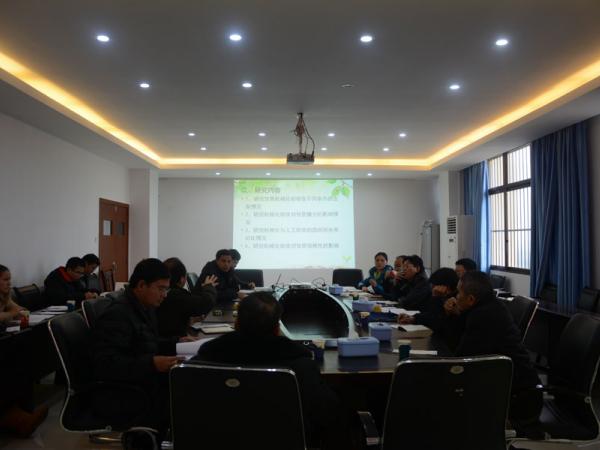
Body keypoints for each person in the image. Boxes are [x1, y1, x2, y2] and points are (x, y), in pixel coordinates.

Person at [193, 292, 351, 449]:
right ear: (277, 329)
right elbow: (327, 416)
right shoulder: (301, 367)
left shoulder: (202, 363)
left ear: (236, 324)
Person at [91, 258, 180, 437]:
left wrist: (176, 343)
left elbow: (146, 341)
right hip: (123, 391)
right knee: (184, 388)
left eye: (166, 289)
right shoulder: (118, 315)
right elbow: (105, 364)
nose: (164, 295)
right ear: (141, 285)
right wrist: (152, 364)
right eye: (161, 289)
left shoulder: (143, 307)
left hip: (140, 379)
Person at [450, 271, 542, 425]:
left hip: (517, 399)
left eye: (458, 293)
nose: (455, 296)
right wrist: (456, 314)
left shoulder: (483, 316)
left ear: (471, 299)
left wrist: (452, 317)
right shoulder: (491, 306)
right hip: (508, 386)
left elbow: (461, 358)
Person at [0, 265, 49, 437]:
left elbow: (20, 310)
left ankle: (22, 414)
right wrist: (11, 313)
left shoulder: (5, 297)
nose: (9, 283)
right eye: (5, 280)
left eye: (9, 279)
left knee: (23, 360)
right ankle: (16, 418)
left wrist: (11, 312)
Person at [156, 257, 217, 339]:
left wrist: (190, 319)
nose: (164, 294)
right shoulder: (176, 294)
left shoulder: (165, 293)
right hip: (172, 341)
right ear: (182, 279)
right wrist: (209, 286)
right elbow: (206, 303)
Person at [398, 267, 458, 331]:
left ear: (446, 287)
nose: (433, 289)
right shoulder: (439, 296)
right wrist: (413, 318)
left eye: (434, 285)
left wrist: (436, 298)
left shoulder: (455, 301)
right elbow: (429, 315)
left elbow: (437, 323)